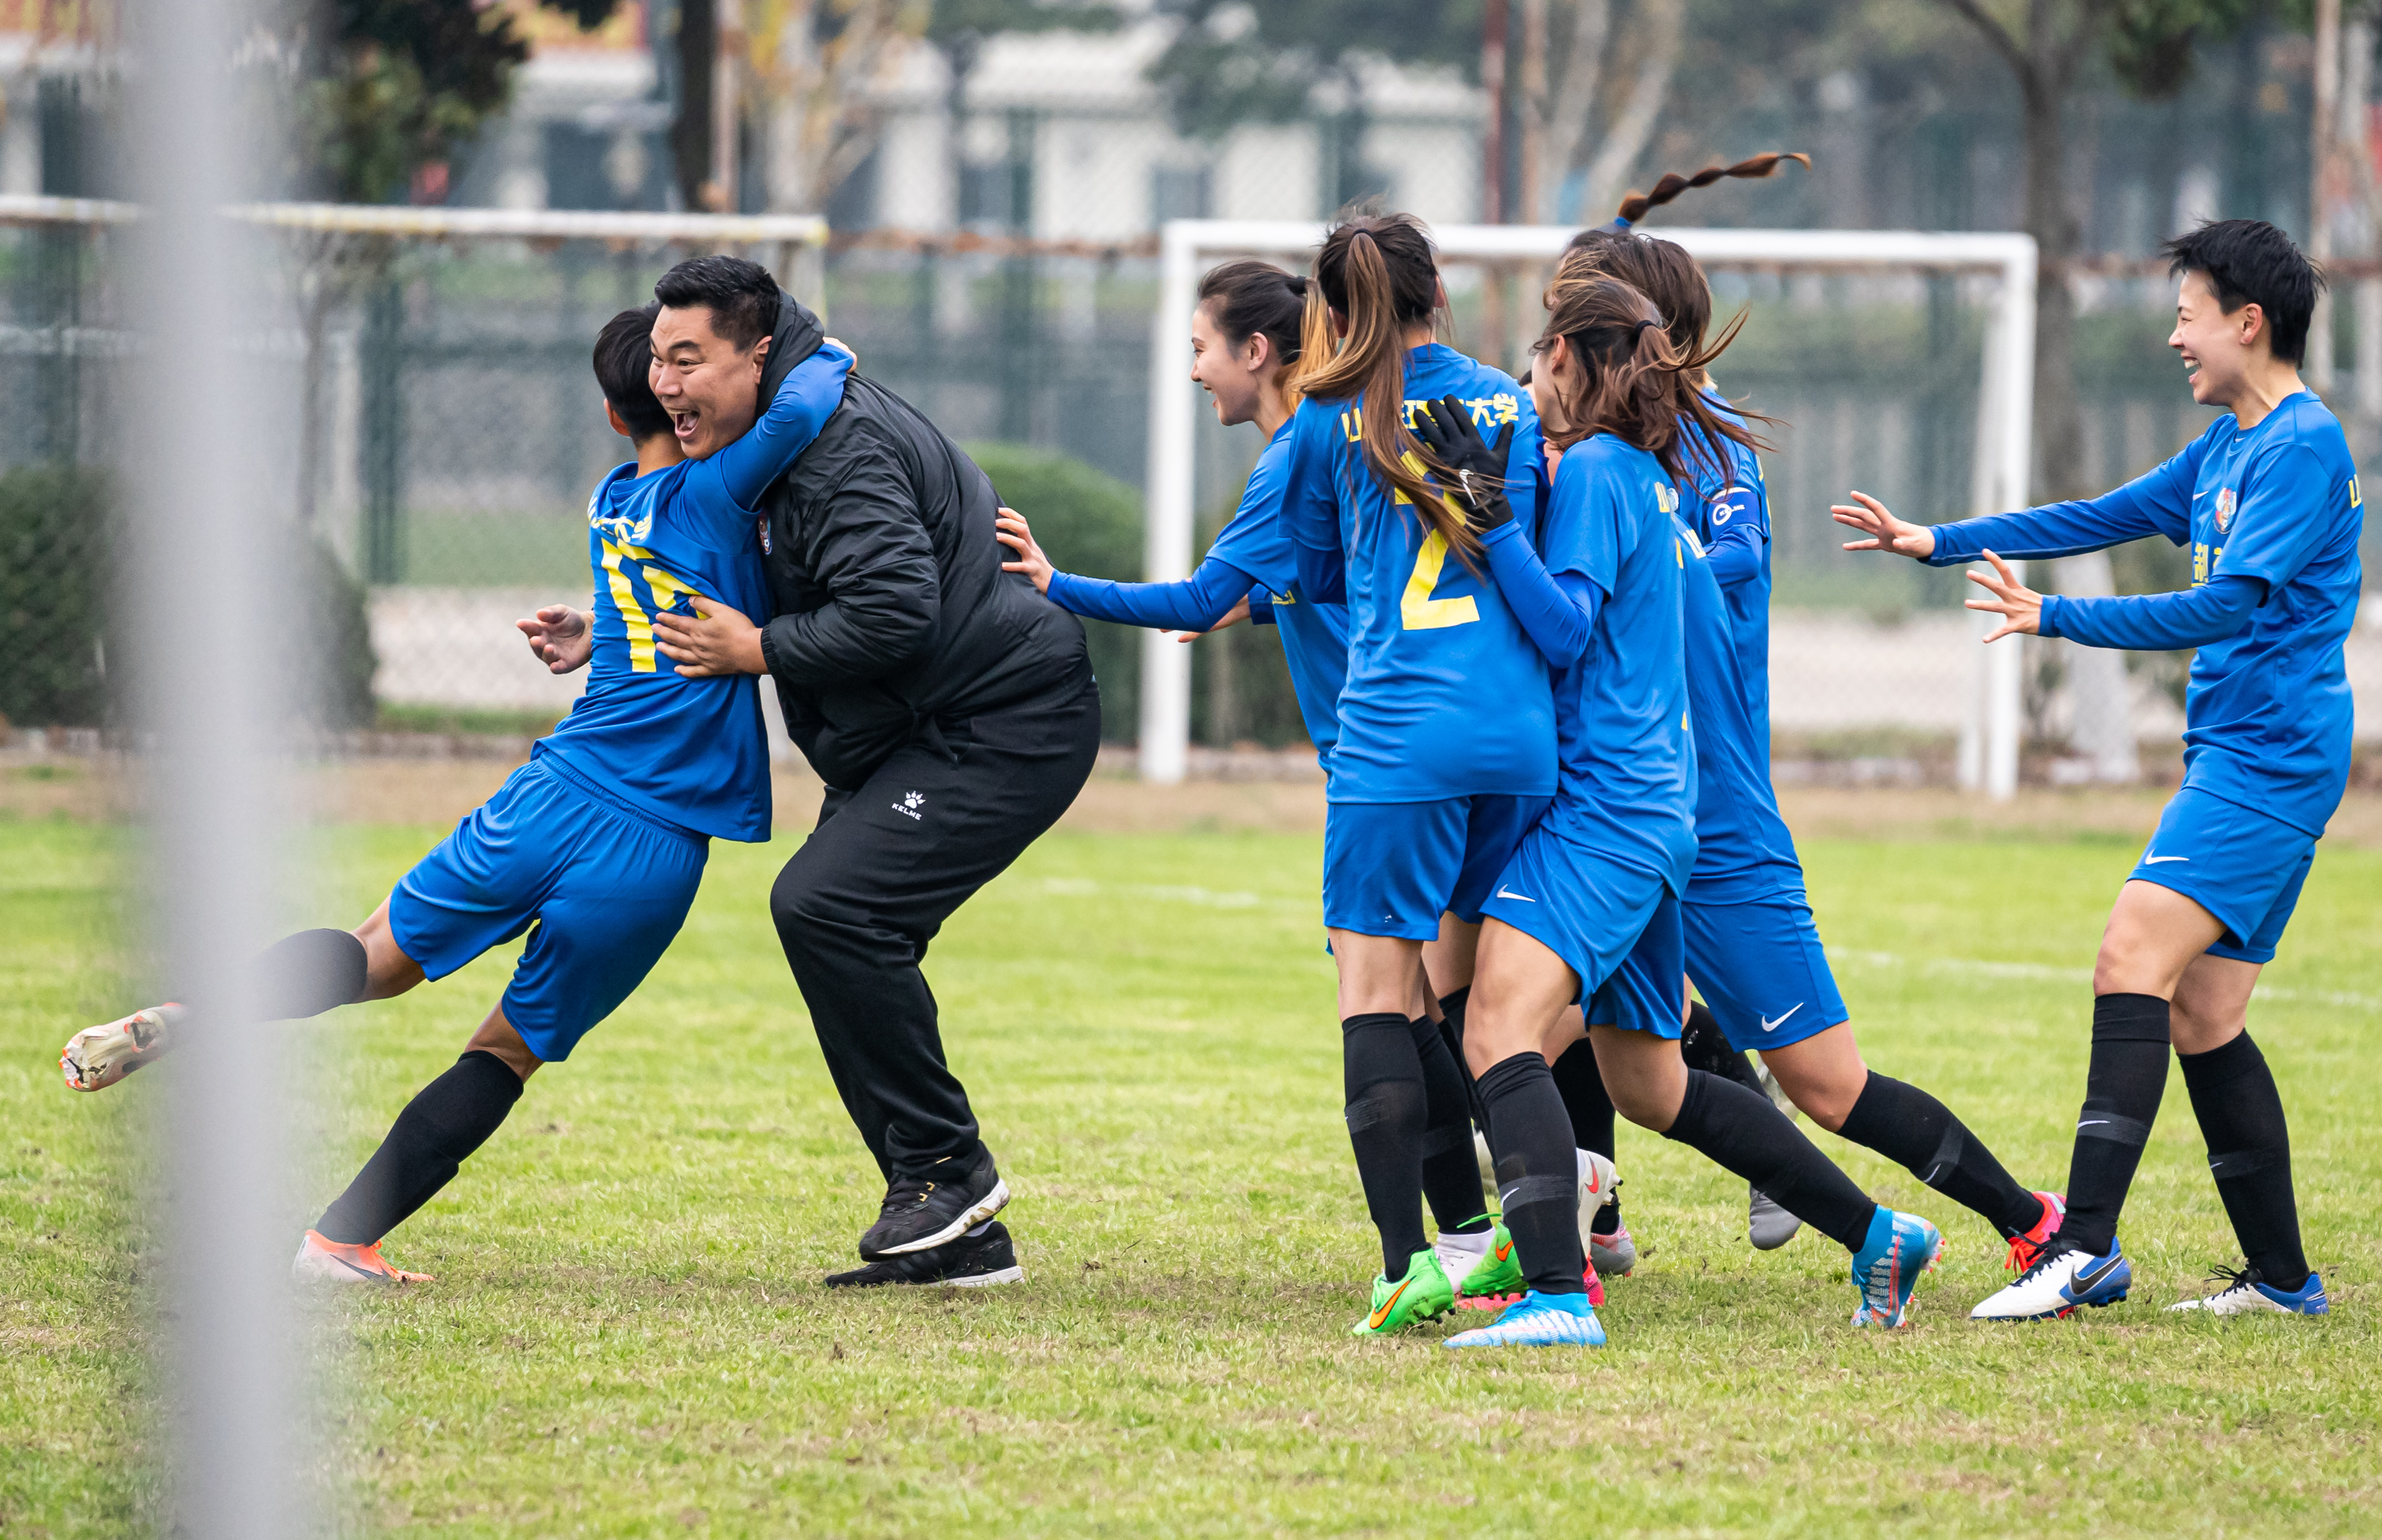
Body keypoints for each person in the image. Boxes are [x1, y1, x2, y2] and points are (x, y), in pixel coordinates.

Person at [59, 301, 854, 1282]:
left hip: (553, 794)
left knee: (374, 958)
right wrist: (818, 344)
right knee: (504, 1054)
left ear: (614, 420)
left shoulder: (613, 502)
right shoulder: (720, 489)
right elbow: (810, 398)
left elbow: (657, 615)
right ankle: (339, 1241)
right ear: (669, 394)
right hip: (651, 846)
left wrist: (598, 634)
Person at [1834, 218, 2353, 1320]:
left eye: (2188, 314)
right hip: (2244, 753)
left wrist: (2053, 615)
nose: (2175, 337)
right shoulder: (2228, 449)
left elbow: (2228, 605)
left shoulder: (2303, 448)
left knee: (2131, 949)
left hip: (2272, 760)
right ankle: (2283, 1281)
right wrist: (1943, 540)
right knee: (2204, 1015)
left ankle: (2083, 1249)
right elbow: (2098, 515)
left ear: (2246, 324)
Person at [993, 261, 1530, 1303]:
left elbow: (1205, 597)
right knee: (1445, 1005)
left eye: (1201, 348)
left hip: (1389, 759)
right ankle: (1490, 1230)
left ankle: (1495, 1230)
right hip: (1495, 738)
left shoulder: (1310, 441)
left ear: (1257, 352)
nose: (1193, 371)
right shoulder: (1439, 411)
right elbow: (1262, 596)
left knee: (1403, 1004)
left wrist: (1062, 587)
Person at [1424, 276, 1945, 1349]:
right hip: (1657, 813)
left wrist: (1486, 517)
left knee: (1495, 1025)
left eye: (1535, 357)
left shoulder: (1606, 473)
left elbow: (1566, 631)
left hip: (1607, 813)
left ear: (1568, 357)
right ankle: (1876, 1232)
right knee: (1651, 1084)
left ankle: (1560, 1300)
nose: (1525, 380)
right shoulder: (1646, 479)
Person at [1555, 220, 2065, 1271]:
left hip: (1717, 813)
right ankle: (1580, 1237)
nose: (1556, 341)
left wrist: (1645, 521)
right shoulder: (1575, 454)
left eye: (1578, 316)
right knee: (1535, 1019)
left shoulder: (1704, 451)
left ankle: (2034, 1226)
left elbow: (1732, 557)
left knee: (1831, 1087)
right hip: (1606, 801)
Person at [644, 257, 1100, 1290]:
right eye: (658, 362)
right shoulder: (781, 431)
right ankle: (955, 1228)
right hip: (916, 726)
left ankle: (948, 1173)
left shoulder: (834, 448)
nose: (668, 385)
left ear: (759, 354)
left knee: (829, 907)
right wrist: (611, 626)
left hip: (1003, 718)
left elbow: (895, 611)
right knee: (833, 924)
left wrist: (759, 649)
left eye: (689, 360)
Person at [1277, 210, 1567, 1335]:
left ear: (1335, 308)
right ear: (1436, 290)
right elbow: (1523, 557)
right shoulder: (1509, 398)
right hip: (1519, 738)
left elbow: (1304, 571)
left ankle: (1410, 1260)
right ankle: (1558, 1228)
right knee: (1492, 1005)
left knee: (1375, 993)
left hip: (1398, 740)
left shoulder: (1325, 416)